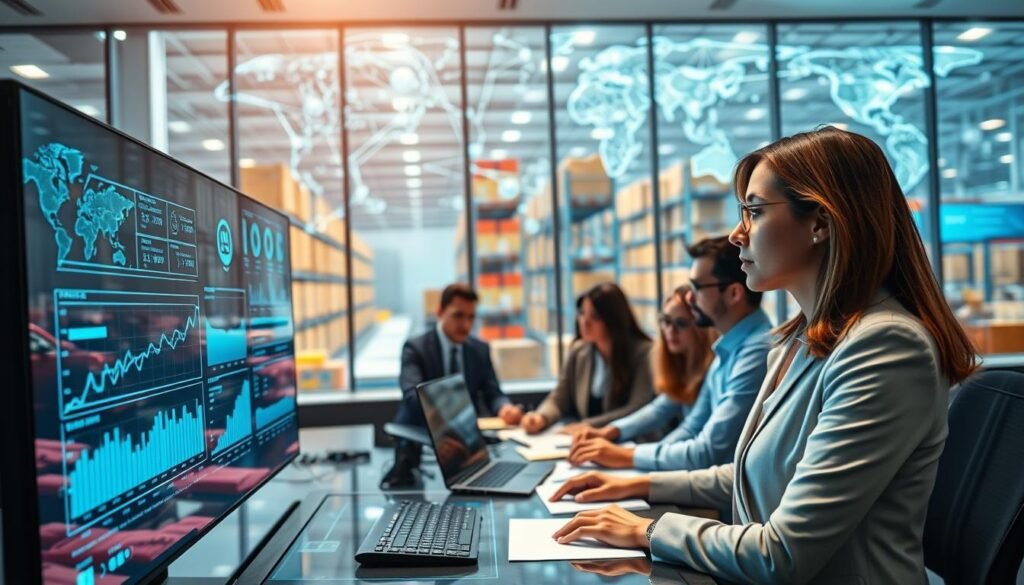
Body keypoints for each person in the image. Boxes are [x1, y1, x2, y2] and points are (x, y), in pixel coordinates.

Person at [549, 127, 977, 584]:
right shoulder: (799, 340)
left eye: (754, 211)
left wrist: (648, 529)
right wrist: (641, 483)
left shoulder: (885, 347)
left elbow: (782, 554)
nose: (737, 235)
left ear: (820, 223)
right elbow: (756, 474)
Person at [566, 238, 772, 472]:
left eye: (697, 287)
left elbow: (707, 451)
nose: (690, 298)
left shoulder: (756, 353)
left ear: (734, 293)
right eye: (665, 322)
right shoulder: (728, 350)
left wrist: (627, 457)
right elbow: (690, 428)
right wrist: (629, 458)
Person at [519, 283, 653, 435]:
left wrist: (588, 425)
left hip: (631, 441)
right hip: (588, 442)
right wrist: (541, 417)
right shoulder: (579, 351)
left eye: (594, 316)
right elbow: (559, 398)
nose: (584, 322)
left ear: (613, 319)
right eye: (582, 313)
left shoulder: (644, 353)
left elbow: (637, 408)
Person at [392, 283, 520, 427]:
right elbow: (413, 398)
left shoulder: (480, 350)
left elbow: (493, 393)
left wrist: (504, 408)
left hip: (463, 433)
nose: (466, 325)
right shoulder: (415, 348)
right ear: (440, 312)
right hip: (420, 432)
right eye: (458, 315)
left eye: (471, 317)